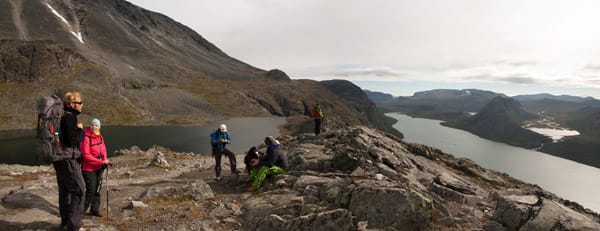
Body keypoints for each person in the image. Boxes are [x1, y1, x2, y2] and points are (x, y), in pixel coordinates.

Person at [55, 92, 85, 231]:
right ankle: (73, 226)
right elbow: (72, 140)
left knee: (65, 191)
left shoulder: (60, 116)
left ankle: (65, 222)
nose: (82, 105)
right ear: (71, 104)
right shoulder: (70, 118)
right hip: (68, 160)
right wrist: (81, 130)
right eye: (80, 102)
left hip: (59, 159)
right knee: (79, 191)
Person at [80, 118, 110, 217]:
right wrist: (100, 162)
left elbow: (104, 149)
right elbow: (86, 155)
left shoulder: (100, 137)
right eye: (92, 125)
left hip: (99, 168)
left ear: (99, 127)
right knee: (90, 190)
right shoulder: (86, 138)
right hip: (88, 169)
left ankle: (94, 210)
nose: (94, 127)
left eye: (96, 125)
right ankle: (80, 212)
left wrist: (105, 160)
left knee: (97, 190)